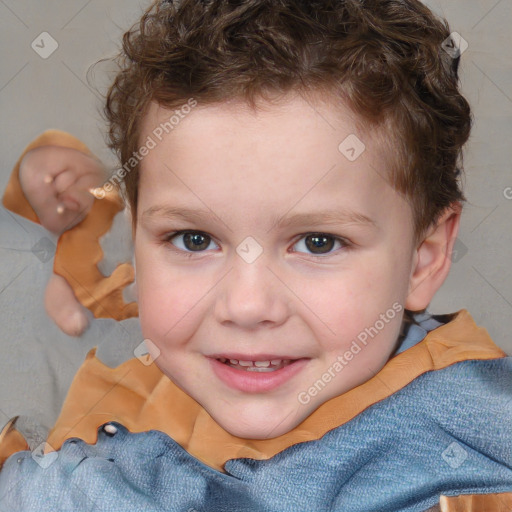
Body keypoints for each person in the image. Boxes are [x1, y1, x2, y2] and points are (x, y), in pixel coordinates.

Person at [0, 0, 511, 510]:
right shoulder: (126, 393)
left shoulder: (472, 452)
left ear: (424, 258)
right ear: (136, 236)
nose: (246, 306)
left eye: (318, 242)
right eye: (194, 239)